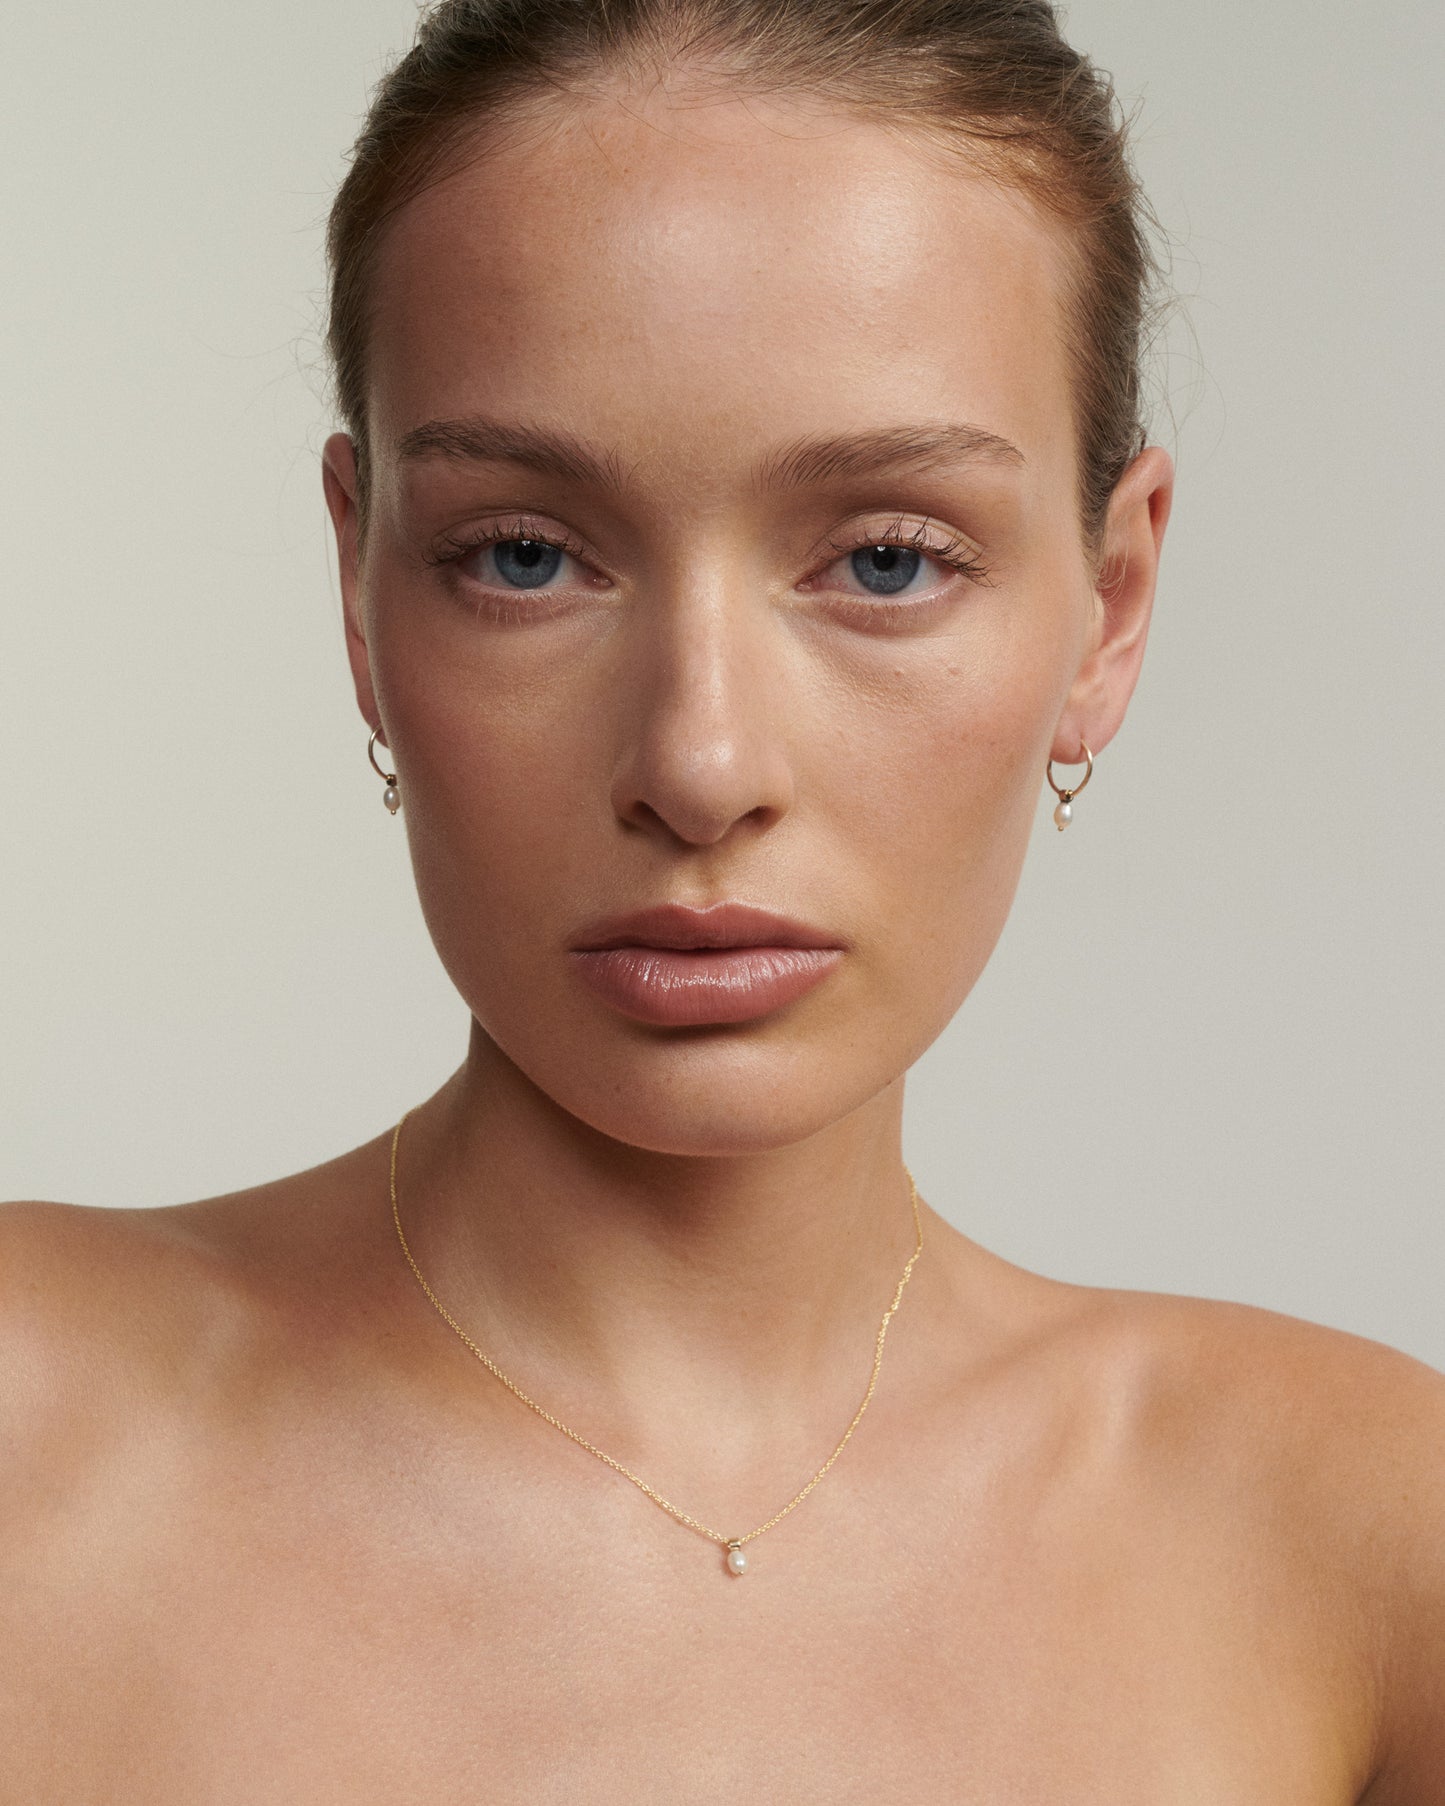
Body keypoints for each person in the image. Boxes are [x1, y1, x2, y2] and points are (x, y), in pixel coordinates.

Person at [3, 0, 1441, 1795]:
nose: (699, 761)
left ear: (1112, 604)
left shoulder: (1360, 1541)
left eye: (886, 560)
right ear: (362, 592)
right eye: (523, 556)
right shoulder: (24, 1426)